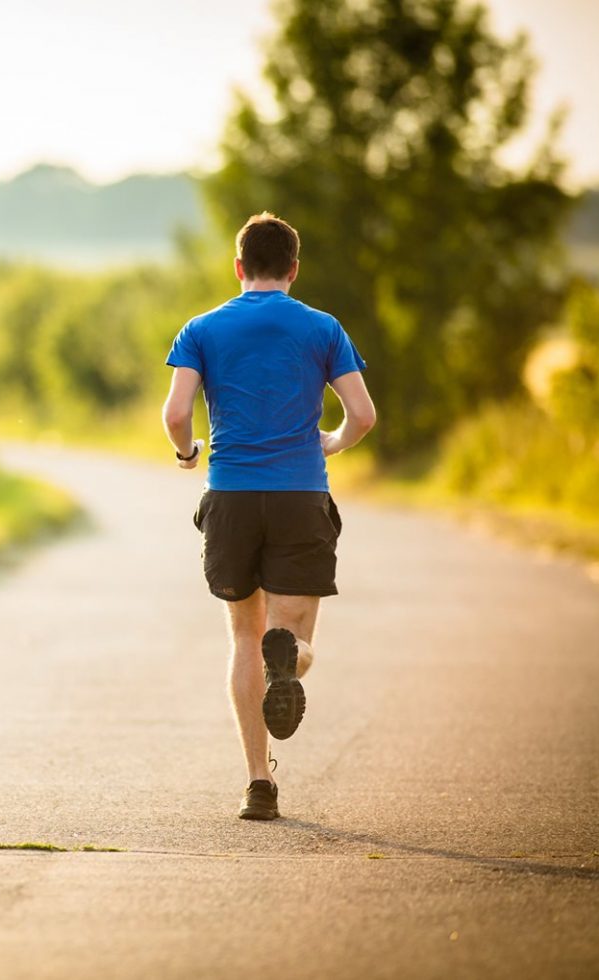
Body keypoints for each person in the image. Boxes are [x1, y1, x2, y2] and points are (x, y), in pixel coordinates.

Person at [162, 212, 376, 821]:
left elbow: (177, 413)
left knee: (242, 638)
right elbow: (362, 415)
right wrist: (331, 442)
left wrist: (187, 454)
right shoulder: (322, 328)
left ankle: (259, 784)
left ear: (238, 268)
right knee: (294, 639)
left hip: (230, 495)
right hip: (298, 495)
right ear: (293, 268)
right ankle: (292, 660)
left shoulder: (202, 328)